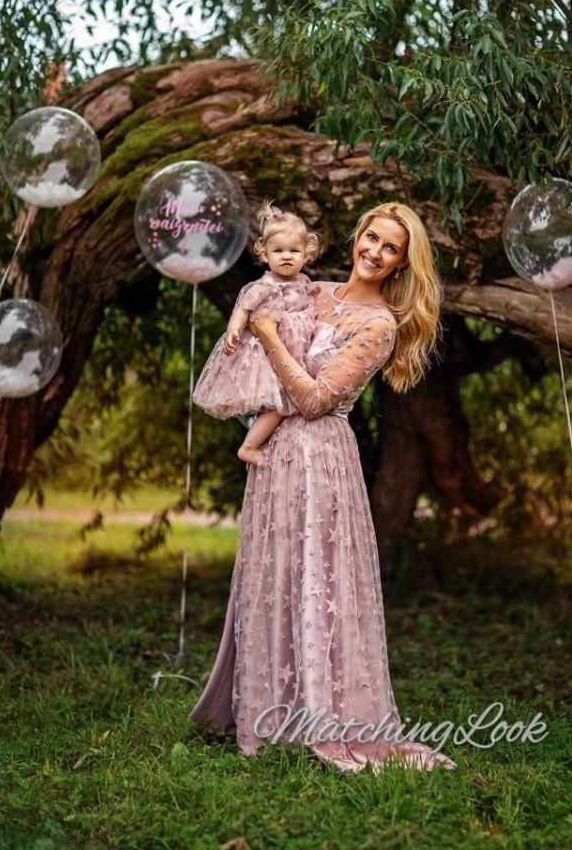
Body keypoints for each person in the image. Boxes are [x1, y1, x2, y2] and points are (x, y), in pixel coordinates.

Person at [190, 202, 457, 774]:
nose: (374, 252)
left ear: (402, 263)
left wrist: (267, 335)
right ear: (357, 236)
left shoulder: (379, 325)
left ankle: (330, 715)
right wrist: (248, 325)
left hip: (322, 458)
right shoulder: (316, 291)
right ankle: (270, 710)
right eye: (371, 237)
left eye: (390, 248)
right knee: (275, 573)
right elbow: (261, 311)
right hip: (277, 455)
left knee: (319, 576)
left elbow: (314, 400)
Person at [192, 199, 321, 467]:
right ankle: (249, 447)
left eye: (294, 251)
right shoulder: (264, 286)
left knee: (293, 405)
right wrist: (233, 330)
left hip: (297, 357)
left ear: (306, 254)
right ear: (265, 254)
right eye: (278, 251)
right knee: (279, 406)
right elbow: (243, 308)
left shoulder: (306, 283)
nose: (286, 256)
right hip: (271, 358)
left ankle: (271, 443)